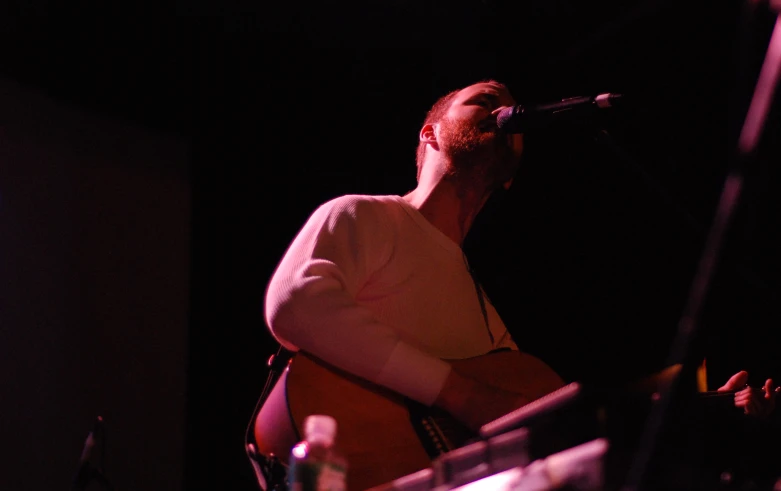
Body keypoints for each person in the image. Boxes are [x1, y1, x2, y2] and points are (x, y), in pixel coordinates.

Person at [252, 79, 778, 490]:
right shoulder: (365, 216)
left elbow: (545, 430)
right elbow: (295, 304)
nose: (505, 111)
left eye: (512, 113)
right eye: (483, 100)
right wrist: (458, 394)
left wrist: (699, 414)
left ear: (511, 176)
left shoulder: (486, 319)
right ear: (430, 134)